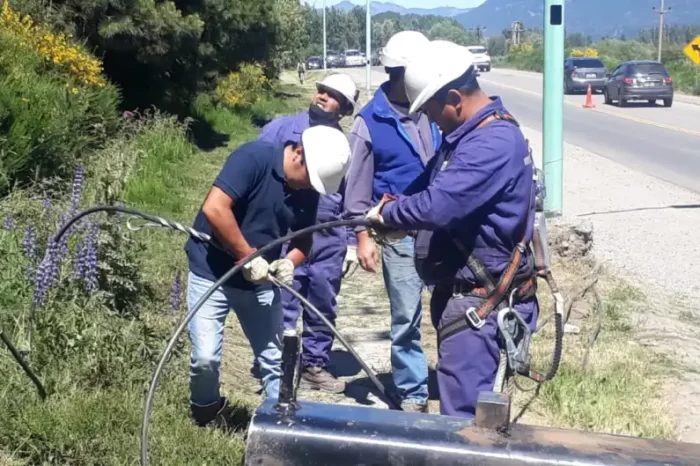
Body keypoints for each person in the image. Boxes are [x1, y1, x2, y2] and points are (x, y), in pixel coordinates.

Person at [365, 40, 539, 420]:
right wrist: (390, 208)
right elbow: (426, 189)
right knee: (469, 414)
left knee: (466, 422)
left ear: (455, 99)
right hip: (468, 299)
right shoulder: (466, 136)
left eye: (429, 109)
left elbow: (438, 205)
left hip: (482, 304)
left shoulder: (490, 143)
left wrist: (391, 216)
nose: (429, 119)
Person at [184, 125, 351, 428]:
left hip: (260, 282)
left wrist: (289, 262)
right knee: (205, 359)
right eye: (310, 180)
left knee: (275, 361)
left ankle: (280, 426)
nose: (311, 188)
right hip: (211, 272)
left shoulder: (307, 188)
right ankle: (206, 412)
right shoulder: (253, 158)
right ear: (298, 153)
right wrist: (247, 255)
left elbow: (303, 241)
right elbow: (215, 207)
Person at [343, 30, 441, 413]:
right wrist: (362, 236)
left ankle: (450, 379)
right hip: (398, 235)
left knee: (450, 308)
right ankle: (414, 393)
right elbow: (356, 191)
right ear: (400, 72)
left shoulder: (432, 107)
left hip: (439, 230)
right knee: (406, 318)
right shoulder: (370, 122)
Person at [256, 73, 359, 394]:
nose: (323, 97)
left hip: (329, 235)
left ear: (343, 109)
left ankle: (315, 364)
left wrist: (353, 241)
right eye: (322, 91)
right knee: (285, 297)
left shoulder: (344, 146)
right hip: (289, 230)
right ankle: (278, 366)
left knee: (322, 302)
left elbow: (353, 193)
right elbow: (259, 174)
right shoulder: (281, 130)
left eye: (332, 96)